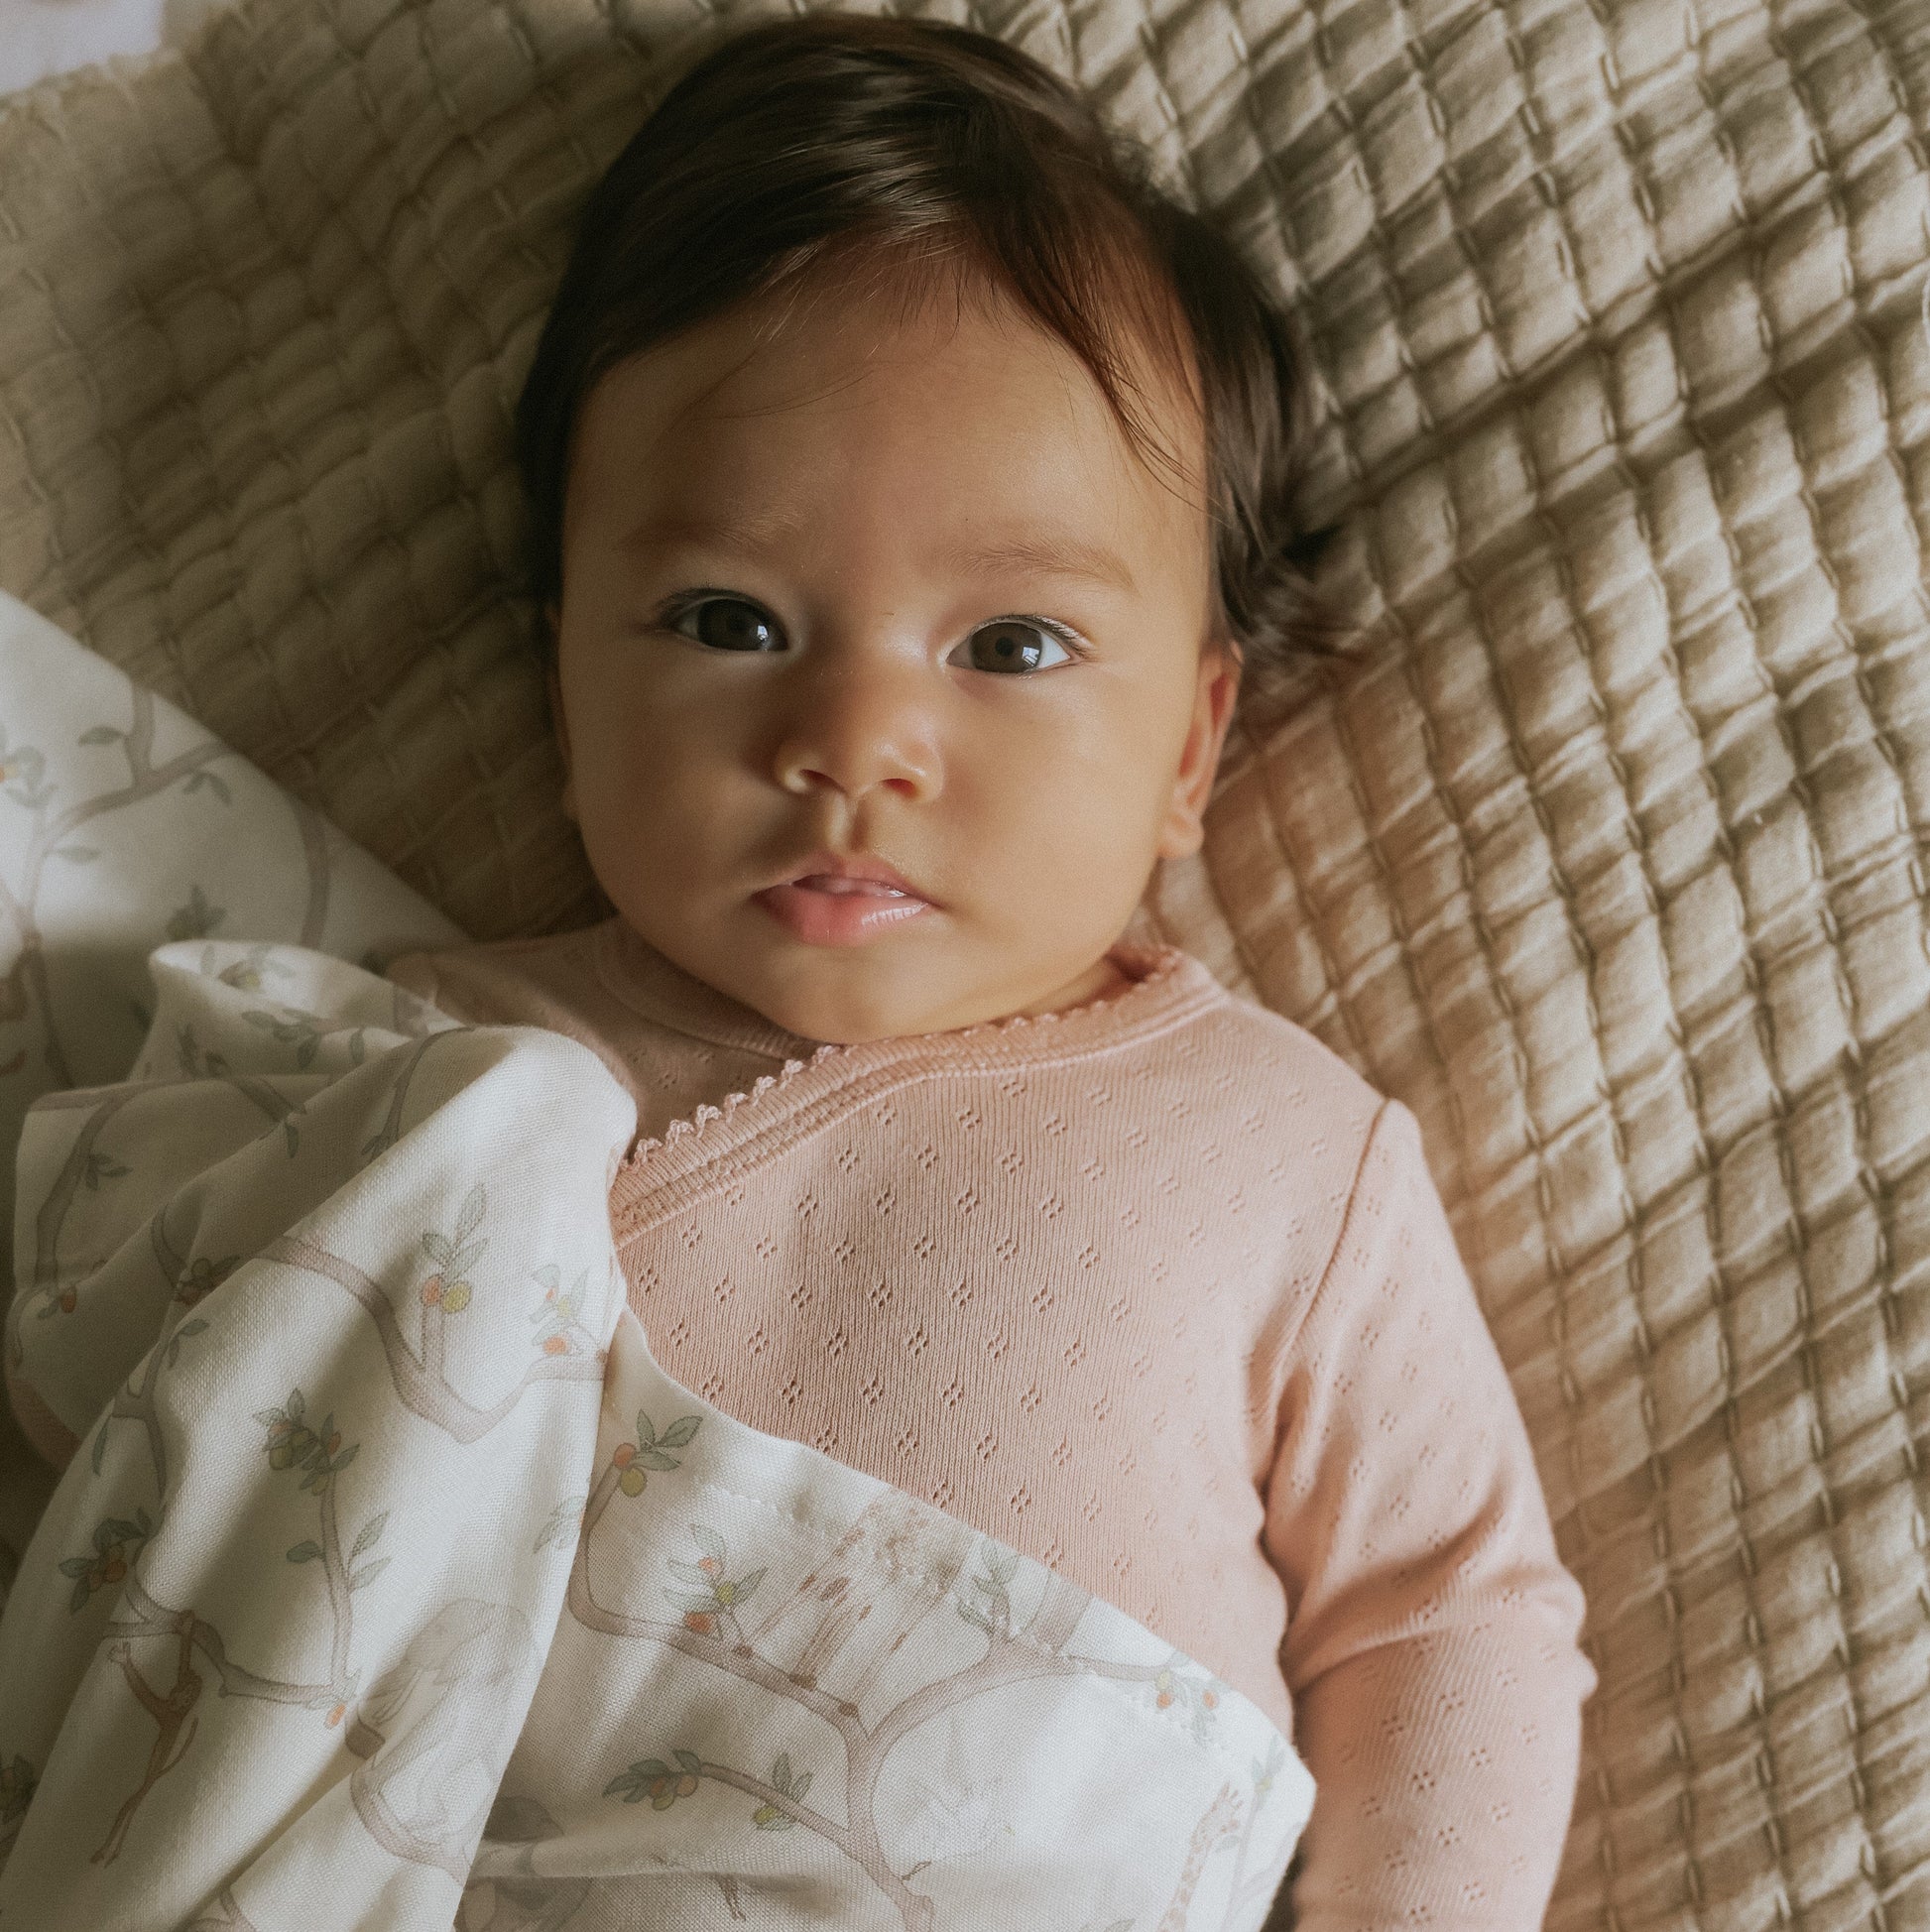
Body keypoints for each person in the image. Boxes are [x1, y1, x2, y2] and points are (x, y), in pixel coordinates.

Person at [386, 13, 1597, 1926]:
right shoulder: (417, 1068)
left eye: (1013, 645)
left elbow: (1452, 1617)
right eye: (729, 617)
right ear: (561, 674)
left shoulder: (1280, 1155)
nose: (856, 737)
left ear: (1191, 751)